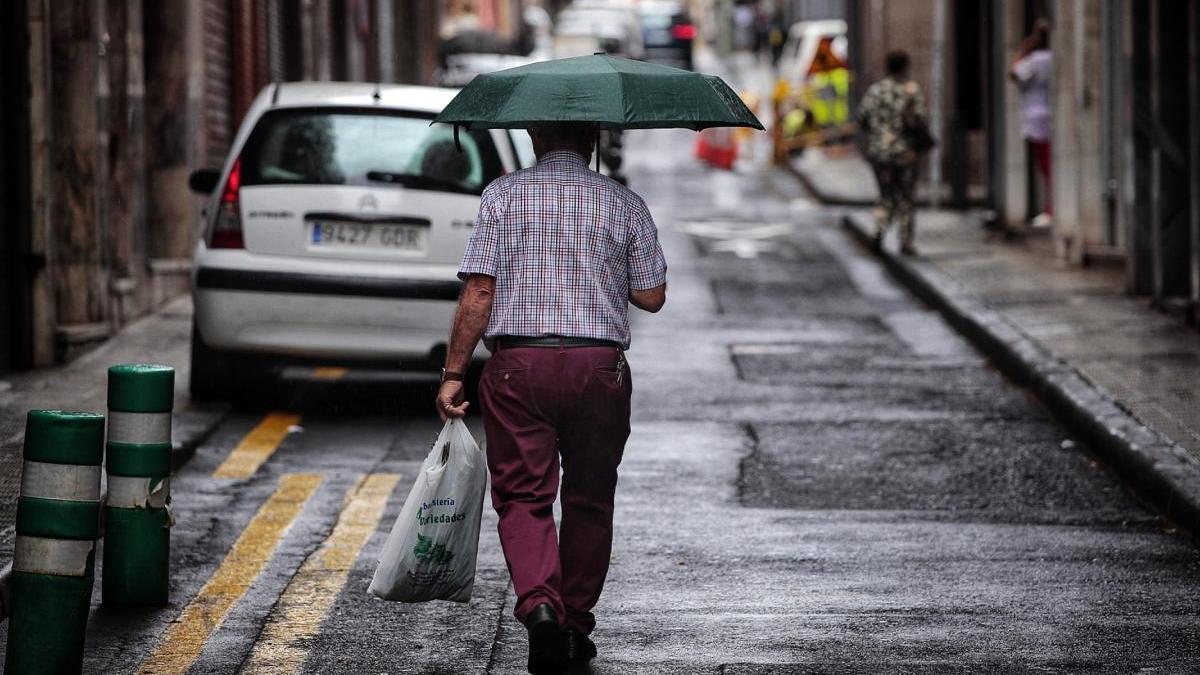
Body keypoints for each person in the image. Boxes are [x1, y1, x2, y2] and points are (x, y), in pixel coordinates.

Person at [435, 122, 668, 674]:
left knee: (523, 495)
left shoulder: (502, 195)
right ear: (590, 142)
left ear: (536, 140)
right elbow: (651, 296)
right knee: (590, 497)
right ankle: (574, 624)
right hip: (598, 368)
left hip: (519, 368)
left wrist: (453, 373)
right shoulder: (623, 202)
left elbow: (479, 292)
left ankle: (540, 604)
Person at [856, 50, 930, 255]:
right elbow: (922, 119)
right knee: (906, 197)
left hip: (880, 153)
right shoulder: (911, 90)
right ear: (905, 66)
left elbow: (862, 118)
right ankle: (905, 242)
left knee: (885, 195)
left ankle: (879, 230)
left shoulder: (876, 91)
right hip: (905, 153)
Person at [1010, 19, 1053, 228]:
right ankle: (1049, 207)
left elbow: (1014, 72)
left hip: (1036, 116)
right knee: (1047, 164)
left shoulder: (1036, 59)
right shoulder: (1053, 58)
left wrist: (1023, 49)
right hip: (1049, 114)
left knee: (1046, 165)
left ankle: (1049, 209)